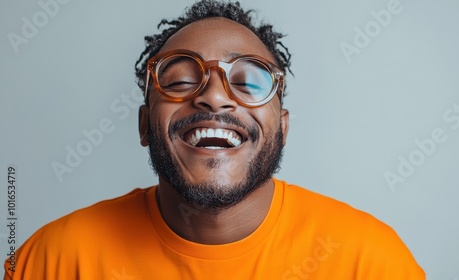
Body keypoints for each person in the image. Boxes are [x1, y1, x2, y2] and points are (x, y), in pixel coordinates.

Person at [4, 1, 425, 279]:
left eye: (249, 82)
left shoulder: (371, 262)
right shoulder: (48, 261)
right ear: (145, 127)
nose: (213, 95)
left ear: (283, 128)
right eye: (182, 80)